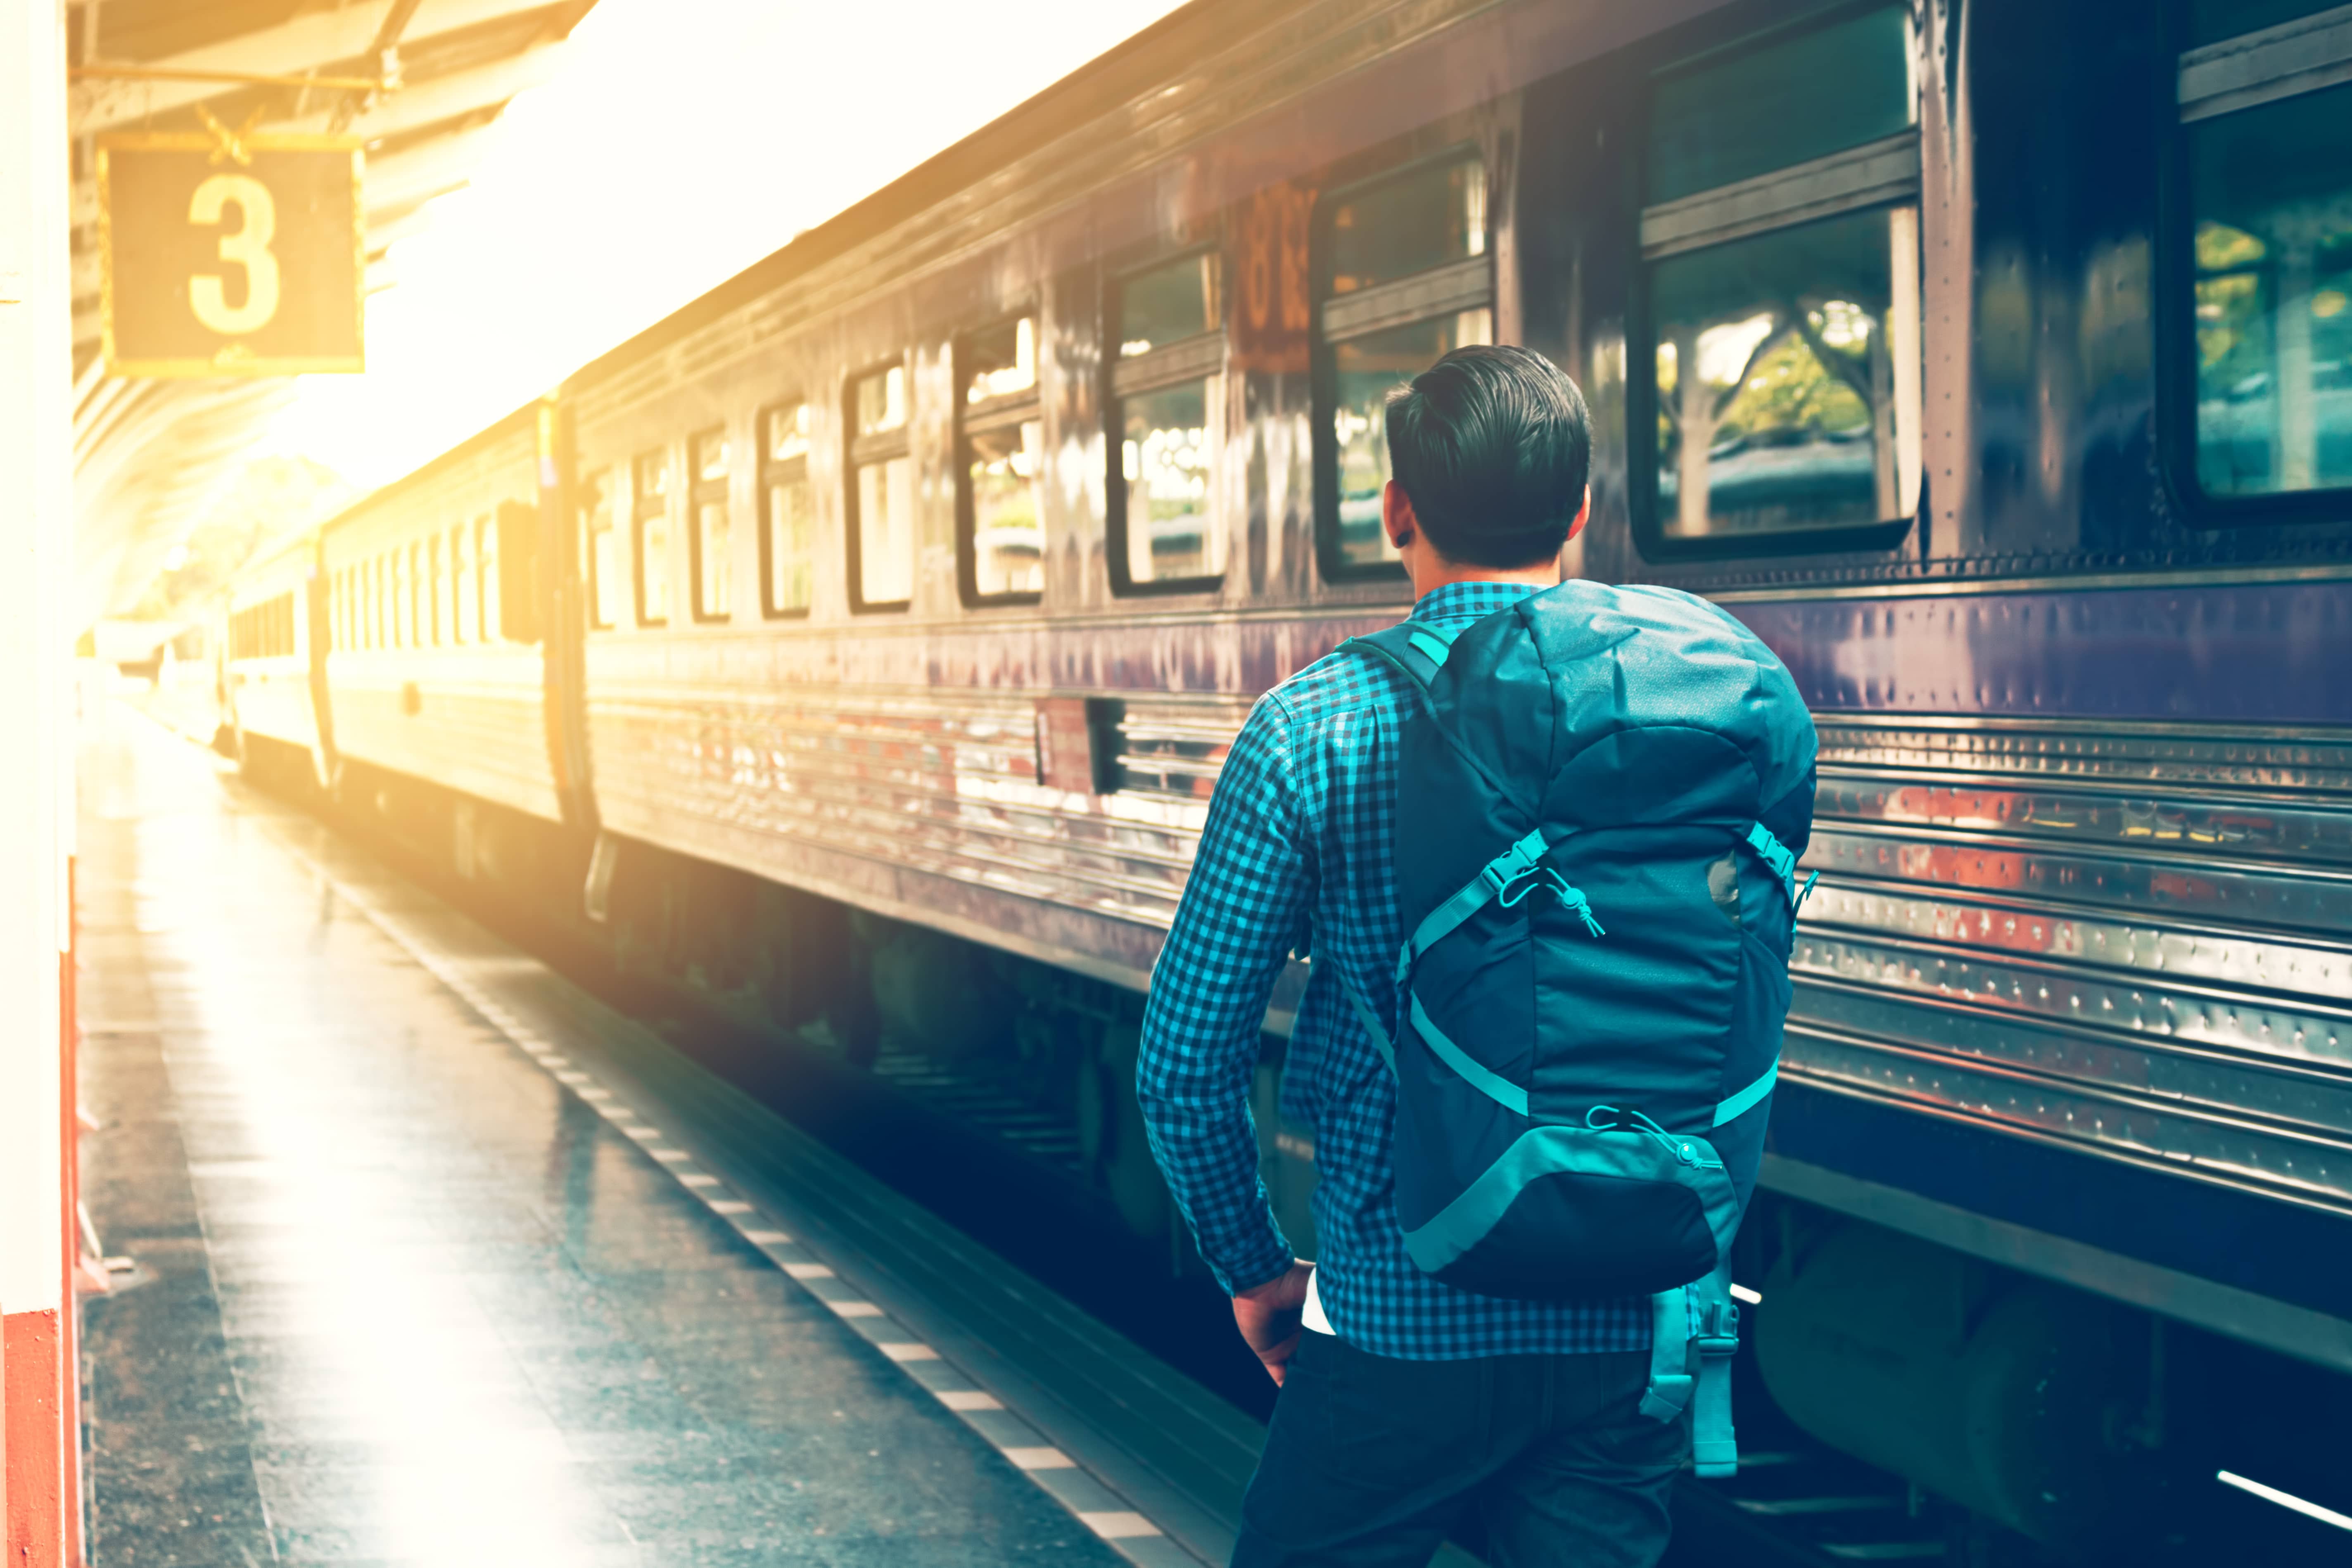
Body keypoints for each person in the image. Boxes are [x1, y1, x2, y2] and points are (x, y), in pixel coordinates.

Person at [1135, 344, 1685, 1567]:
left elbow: (1182, 1064)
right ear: (1582, 513)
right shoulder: (1677, 712)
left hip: (1399, 1319)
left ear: (1397, 513)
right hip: (1629, 1323)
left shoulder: (1313, 727)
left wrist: (1254, 1267)